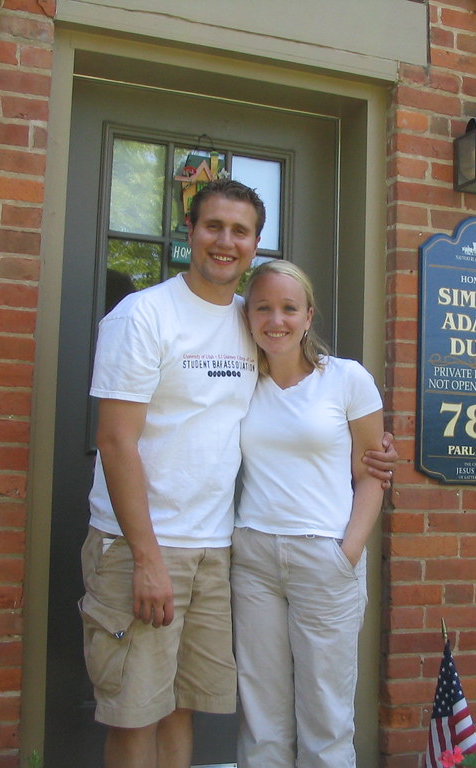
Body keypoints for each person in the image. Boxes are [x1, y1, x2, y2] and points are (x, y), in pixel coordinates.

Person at [78, 179, 396, 768]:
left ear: (254, 244)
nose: (226, 241)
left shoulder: (249, 328)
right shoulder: (144, 315)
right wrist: (146, 557)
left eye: (240, 231)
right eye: (213, 226)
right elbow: (115, 441)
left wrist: (361, 501)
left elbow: (347, 442)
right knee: (135, 710)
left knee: (182, 706)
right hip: (145, 545)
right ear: (190, 232)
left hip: (217, 547)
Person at [231, 259, 386, 768]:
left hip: (325, 557)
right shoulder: (239, 383)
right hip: (252, 557)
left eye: (289, 308)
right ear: (247, 316)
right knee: (261, 718)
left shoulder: (347, 380)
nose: (276, 319)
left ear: (308, 315)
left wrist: (349, 551)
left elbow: (371, 474)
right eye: (263, 308)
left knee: (326, 718)